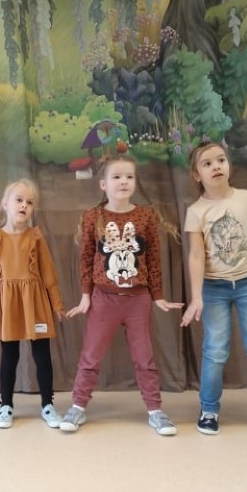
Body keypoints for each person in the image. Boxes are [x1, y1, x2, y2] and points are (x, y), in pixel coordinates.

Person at [60, 156, 184, 435]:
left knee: (144, 357)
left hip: (138, 300)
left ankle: (155, 410)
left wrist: (157, 296)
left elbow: (153, 259)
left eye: (129, 176)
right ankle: (78, 406)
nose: (124, 181)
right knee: (91, 355)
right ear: (103, 184)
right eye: (116, 177)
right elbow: (86, 260)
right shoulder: (92, 217)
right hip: (104, 300)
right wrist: (85, 296)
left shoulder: (146, 216)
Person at [180, 141, 247, 435]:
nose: (216, 166)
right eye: (207, 163)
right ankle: (209, 410)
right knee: (215, 349)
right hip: (213, 287)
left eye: (221, 160)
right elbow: (195, 255)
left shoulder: (246, 198)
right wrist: (197, 297)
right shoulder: (196, 211)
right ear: (196, 174)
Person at [0, 178, 65, 429]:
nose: (24, 205)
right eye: (19, 200)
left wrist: (57, 304)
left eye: (29, 202)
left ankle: (48, 404)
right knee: (9, 356)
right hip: (7, 305)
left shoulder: (36, 237)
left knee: (42, 355)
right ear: (5, 204)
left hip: (35, 304)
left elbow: (49, 273)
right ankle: (6, 405)